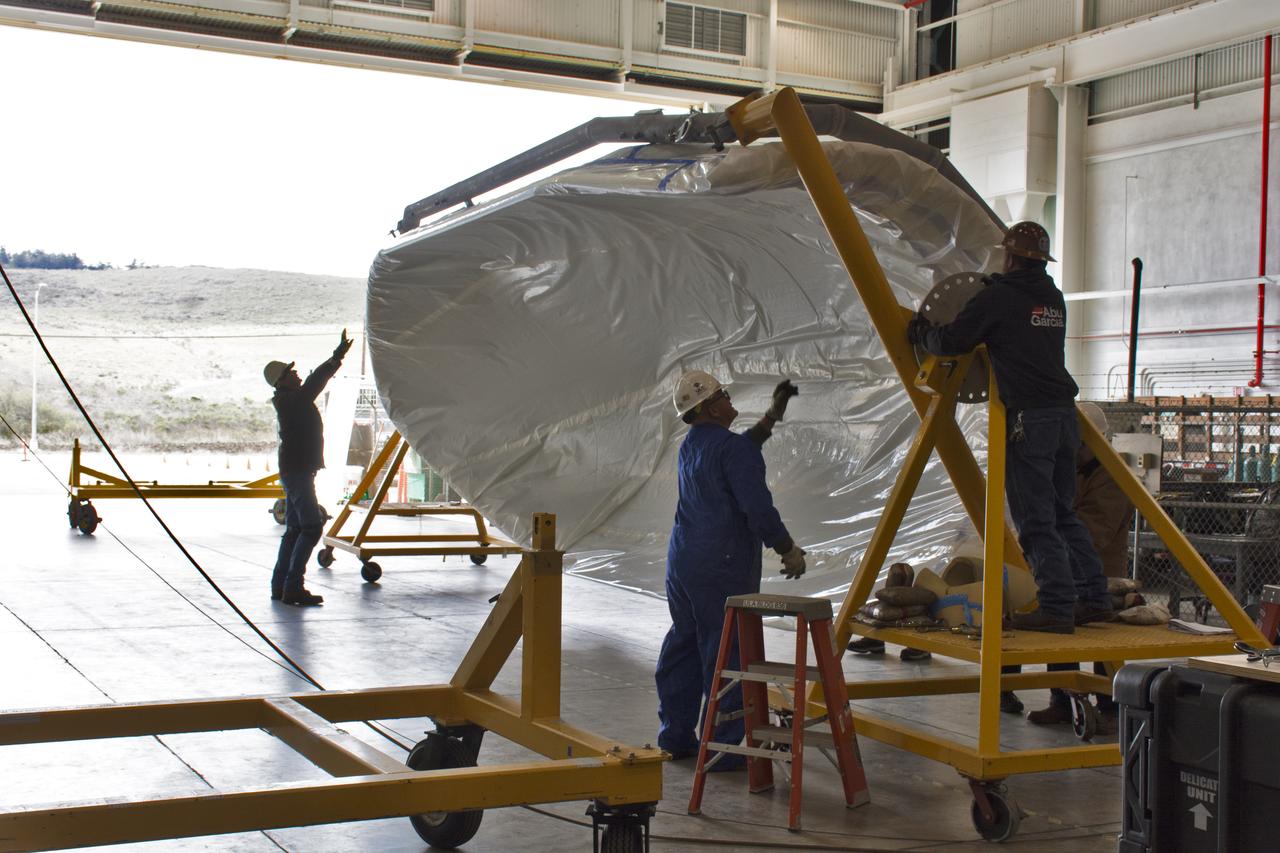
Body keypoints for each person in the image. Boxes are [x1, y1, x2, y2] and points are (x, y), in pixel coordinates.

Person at [908, 221, 1111, 634]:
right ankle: (1094, 598)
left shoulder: (999, 298)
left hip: (1029, 421)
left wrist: (924, 334)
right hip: (1062, 417)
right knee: (1062, 513)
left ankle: (1056, 607)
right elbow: (1021, 329)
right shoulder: (1052, 297)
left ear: (1010, 256)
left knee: (1035, 518)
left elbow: (953, 342)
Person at [656, 370, 806, 763]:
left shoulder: (692, 445)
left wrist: (773, 416)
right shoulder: (730, 450)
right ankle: (723, 749)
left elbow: (738, 450)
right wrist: (787, 548)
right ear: (708, 407)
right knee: (727, 652)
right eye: (722, 394)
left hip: (684, 561)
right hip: (722, 565)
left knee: (685, 642)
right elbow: (757, 507)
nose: (728, 397)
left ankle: (676, 737)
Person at [1024, 402, 1135, 729]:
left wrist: (1044, 537)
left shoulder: (1111, 474)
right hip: (1063, 569)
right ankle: (1061, 700)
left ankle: (1112, 707)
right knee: (1059, 635)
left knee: (1104, 643)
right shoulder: (1069, 467)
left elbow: (1094, 528)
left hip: (1100, 573)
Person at [264, 330, 353, 606]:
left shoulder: (289, 401)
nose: (297, 374)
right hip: (299, 472)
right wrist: (336, 358)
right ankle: (293, 587)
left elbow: (310, 384)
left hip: (295, 471)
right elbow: (315, 382)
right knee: (312, 528)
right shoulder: (293, 401)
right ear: (282, 381)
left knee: (294, 529)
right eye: (292, 373)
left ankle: (280, 585)